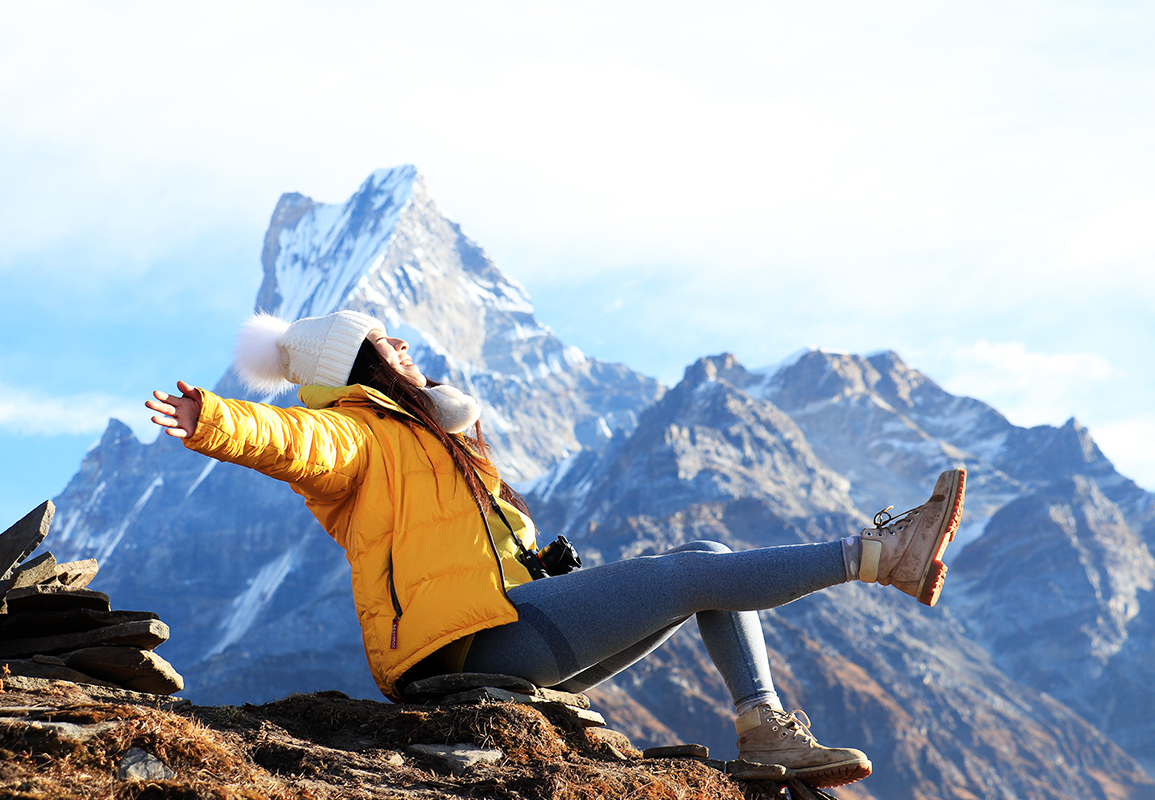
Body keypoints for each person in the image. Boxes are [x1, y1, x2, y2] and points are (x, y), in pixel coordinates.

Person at [147, 309, 965, 789]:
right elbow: (291, 438)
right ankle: (876, 553)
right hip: (459, 645)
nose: (408, 351)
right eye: (391, 345)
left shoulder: (437, 445)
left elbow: (467, 552)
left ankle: (764, 732)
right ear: (361, 362)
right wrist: (214, 420)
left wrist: (537, 569)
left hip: (496, 618)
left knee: (705, 555)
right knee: (690, 574)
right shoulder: (358, 433)